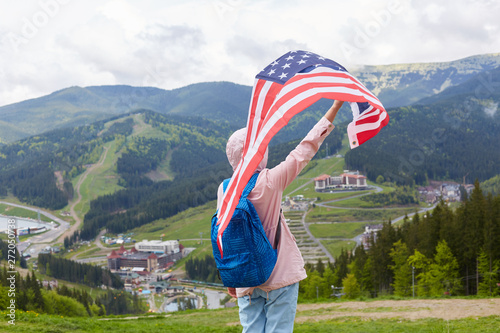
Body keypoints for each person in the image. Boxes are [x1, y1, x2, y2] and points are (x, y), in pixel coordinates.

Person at [216, 100, 344, 332]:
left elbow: (224, 233)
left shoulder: (224, 189)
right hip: (280, 275)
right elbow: (304, 150)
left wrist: (231, 277)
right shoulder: (271, 181)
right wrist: (335, 107)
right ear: (258, 153)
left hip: (245, 277)